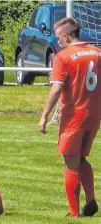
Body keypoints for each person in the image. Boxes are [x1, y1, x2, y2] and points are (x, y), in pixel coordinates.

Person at [39, 17, 100, 217]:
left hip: (73, 116)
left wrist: (45, 115)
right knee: (81, 158)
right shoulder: (97, 53)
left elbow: (56, 88)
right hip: (93, 116)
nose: (57, 42)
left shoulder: (63, 57)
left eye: (58, 37)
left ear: (66, 36)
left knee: (71, 162)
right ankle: (90, 201)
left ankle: (73, 213)